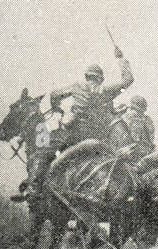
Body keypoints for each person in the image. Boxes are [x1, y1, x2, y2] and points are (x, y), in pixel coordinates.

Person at [23, 47, 134, 200]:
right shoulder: (107, 90)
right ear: (100, 78)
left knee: (44, 150)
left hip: (74, 134)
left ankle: (34, 189)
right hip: (100, 137)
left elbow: (55, 95)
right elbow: (128, 80)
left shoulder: (77, 86)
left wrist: (58, 111)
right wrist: (120, 58)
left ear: (87, 76)